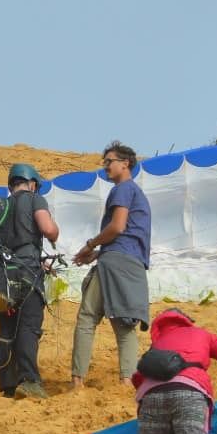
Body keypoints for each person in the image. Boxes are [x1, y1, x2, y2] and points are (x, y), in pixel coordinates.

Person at [71, 140, 152, 388]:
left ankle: (77, 382)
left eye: (109, 162)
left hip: (114, 262)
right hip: (132, 264)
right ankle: (128, 381)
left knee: (87, 318)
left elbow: (117, 227)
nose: (105, 167)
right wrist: (97, 253)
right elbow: (128, 238)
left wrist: (91, 245)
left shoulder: (122, 189)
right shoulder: (139, 193)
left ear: (125, 164)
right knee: (125, 325)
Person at [0, 162, 60, 399]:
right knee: (29, 326)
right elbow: (47, 229)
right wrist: (55, 231)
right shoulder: (34, 199)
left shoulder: (1, 206)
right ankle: (30, 381)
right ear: (32, 184)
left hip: (4, 274)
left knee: (7, 329)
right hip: (28, 272)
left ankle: (7, 386)